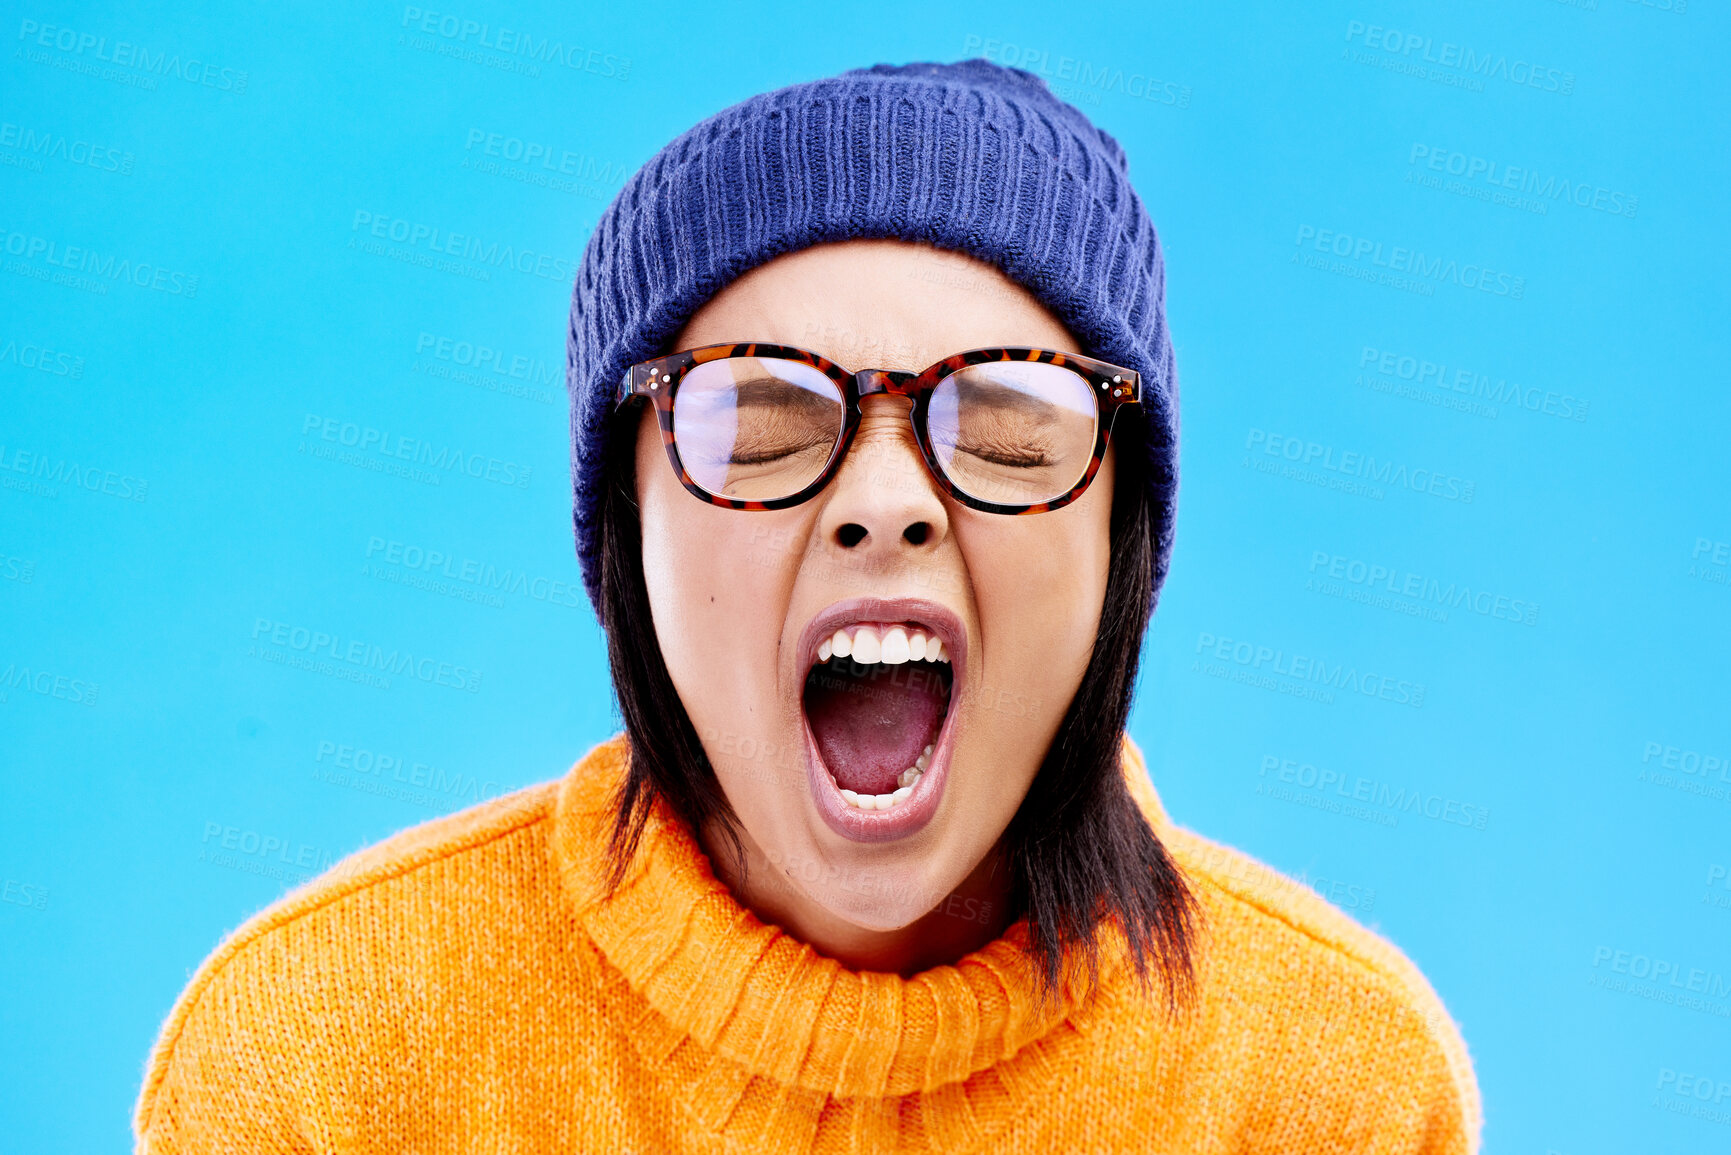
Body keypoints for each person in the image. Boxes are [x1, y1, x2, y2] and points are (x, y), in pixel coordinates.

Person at [135, 60, 1481, 1153]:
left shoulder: (1335, 1087)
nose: (884, 500)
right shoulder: (320, 1061)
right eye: (762, 419)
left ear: (1121, 537)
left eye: (1009, 426)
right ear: (628, 534)